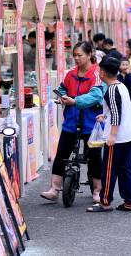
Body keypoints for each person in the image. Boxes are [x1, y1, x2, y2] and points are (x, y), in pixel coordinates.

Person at [41, 42, 106, 203]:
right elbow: (63, 88)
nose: (76, 58)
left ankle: (97, 190)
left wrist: (75, 101)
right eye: (74, 55)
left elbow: (96, 96)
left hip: (92, 123)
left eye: (80, 55)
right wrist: (62, 96)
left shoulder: (97, 74)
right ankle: (54, 189)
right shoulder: (71, 74)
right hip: (71, 121)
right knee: (62, 153)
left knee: (94, 156)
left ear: (90, 54)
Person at [86, 56, 131, 213]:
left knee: (109, 169)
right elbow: (117, 110)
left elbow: (117, 114)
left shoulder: (111, 90)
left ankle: (105, 201)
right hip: (129, 134)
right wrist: (105, 116)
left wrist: (112, 136)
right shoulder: (120, 86)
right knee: (126, 168)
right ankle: (130, 201)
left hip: (118, 137)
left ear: (102, 72)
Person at [116, 57, 131, 126]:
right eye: (123, 65)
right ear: (119, 66)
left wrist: (128, 75)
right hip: (122, 100)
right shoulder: (117, 77)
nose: (125, 66)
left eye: (127, 65)